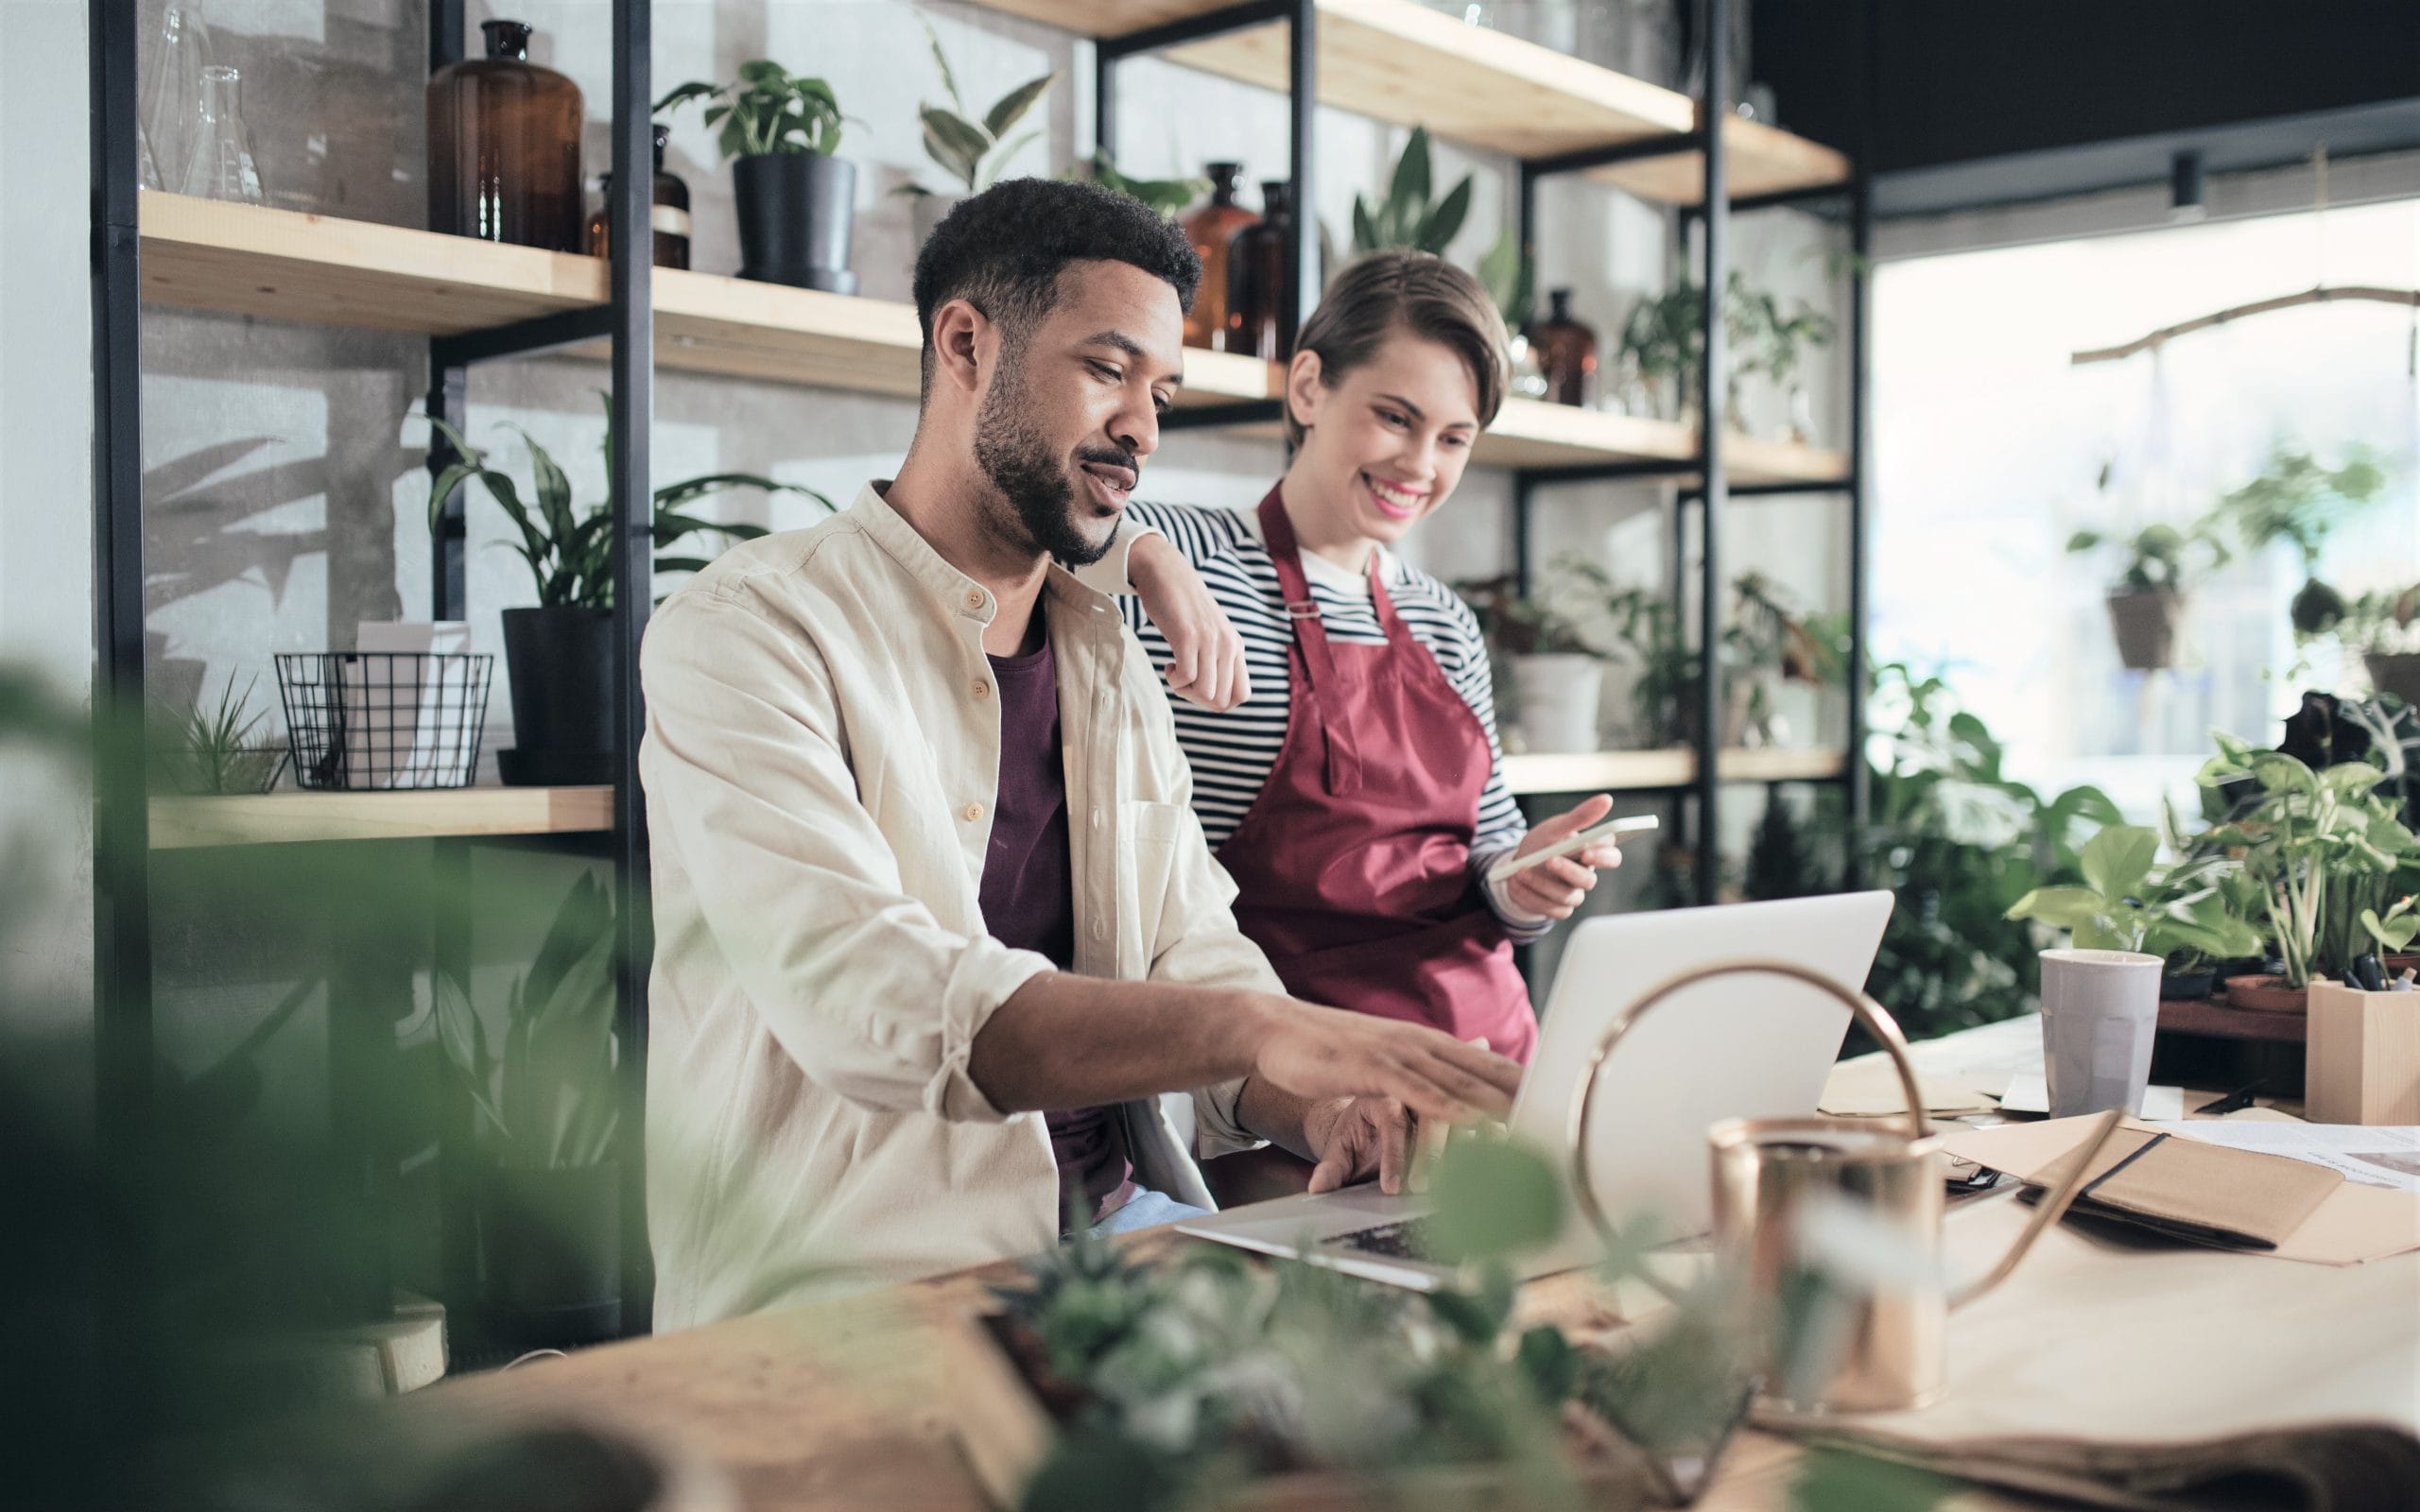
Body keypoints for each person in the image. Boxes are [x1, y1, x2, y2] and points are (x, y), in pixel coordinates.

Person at [637, 180, 1522, 1329]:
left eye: (1161, 391)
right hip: (858, 1302)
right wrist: (1271, 1027)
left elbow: (1192, 950)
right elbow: (871, 999)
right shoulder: (748, 630)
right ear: (966, 343)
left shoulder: (1104, 652)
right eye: (1108, 371)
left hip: (1125, 1247)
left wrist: (1318, 1106)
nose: (1144, 430)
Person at [1111, 251, 1629, 1070]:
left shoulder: (1444, 620)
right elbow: (1026, 530)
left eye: (1453, 438)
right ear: (1310, 386)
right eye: (1395, 417)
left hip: (1488, 1055)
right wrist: (1139, 549)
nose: (1420, 466)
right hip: (1296, 1075)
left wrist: (1525, 881)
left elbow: (1486, 860)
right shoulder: (1187, 557)